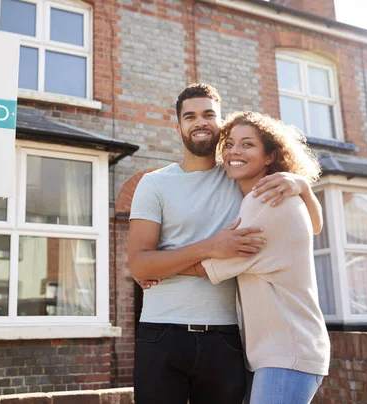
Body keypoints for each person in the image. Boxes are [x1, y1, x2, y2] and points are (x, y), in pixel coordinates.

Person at [128, 83, 323, 404]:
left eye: (209, 114)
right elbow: (139, 265)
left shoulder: (243, 179)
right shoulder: (154, 183)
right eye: (189, 116)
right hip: (162, 330)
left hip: (227, 336)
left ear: (220, 124)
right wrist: (210, 246)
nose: (199, 121)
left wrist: (302, 185)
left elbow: (311, 228)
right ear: (178, 127)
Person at [183, 111, 330, 404]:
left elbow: (205, 268)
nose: (235, 151)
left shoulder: (265, 201)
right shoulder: (277, 195)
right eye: (230, 144)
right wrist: (303, 186)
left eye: (247, 144)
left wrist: (154, 266)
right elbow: (315, 227)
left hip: (287, 352)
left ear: (269, 157)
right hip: (280, 352)